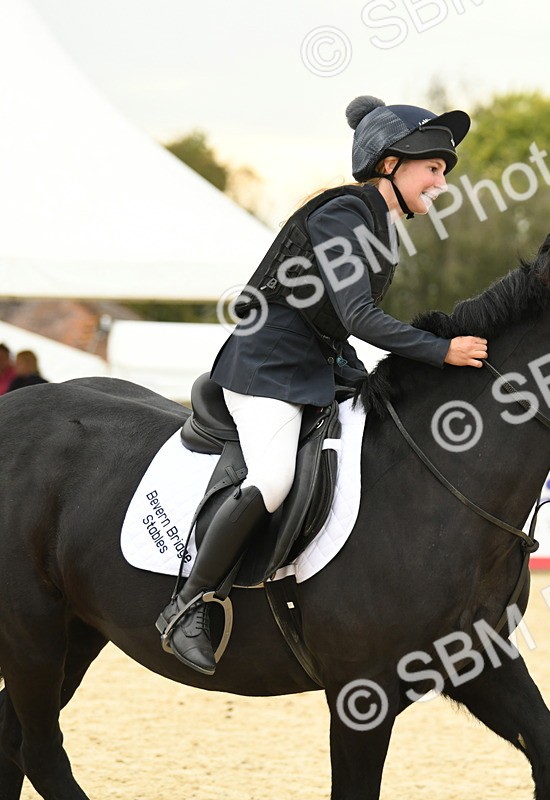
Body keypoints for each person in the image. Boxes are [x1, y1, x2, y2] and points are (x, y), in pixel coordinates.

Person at [158, 96, 490, 676]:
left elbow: (339, 327)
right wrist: (441, 350)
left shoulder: (379, 226)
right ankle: (188, 605)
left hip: (319, 366)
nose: (442, 182)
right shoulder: (341, 215)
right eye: (434, 168)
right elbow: (359, 316)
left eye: (445, 171)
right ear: (390, 162)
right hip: (265, 367)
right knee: (274, 476)